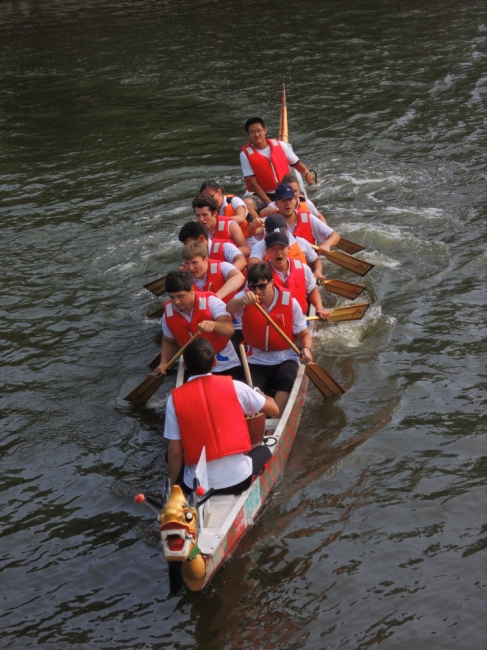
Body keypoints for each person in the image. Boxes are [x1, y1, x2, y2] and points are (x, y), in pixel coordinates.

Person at [164, 338, 279, 494]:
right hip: (239, 481)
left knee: (169, 454)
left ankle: (179, 488)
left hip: (197, 488)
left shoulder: (174, 399)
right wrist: (264, 396)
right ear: (215, 363)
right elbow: (274, 410)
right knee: (264, 451)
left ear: (185, 366)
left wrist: (172, 484)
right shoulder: (236, 386)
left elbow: (175, 451)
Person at [226, 263, 313, 416]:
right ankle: (258, 418)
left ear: (271, 282)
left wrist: (306, 349)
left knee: (286, 378)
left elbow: (304, 335)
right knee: (247, 388)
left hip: (286, 357)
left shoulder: (290, 302)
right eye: (253, 287)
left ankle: (274, 423)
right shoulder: (246, 296)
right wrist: (242, 301)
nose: (257, 291)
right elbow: (229, 308)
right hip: (256, 359)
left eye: (262, 286)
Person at [153, 269, 241, 379]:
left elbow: (229, 329)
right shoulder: (167, 313)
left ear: (192, 290)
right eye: (172, 297)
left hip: (225, 361)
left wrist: (214, 324)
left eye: (180, 296)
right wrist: (163, 362)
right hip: (194, 367)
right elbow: (168, 341)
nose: (176, 302)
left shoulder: (212, 302)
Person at [240, 117, 315, 217]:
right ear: (248, 134)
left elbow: (297, 165)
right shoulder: (245, 154)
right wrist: (269, 203)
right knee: (246, 203)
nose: (257, 134)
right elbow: (253, 184)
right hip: (265, 195)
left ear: (265, 130)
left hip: (287, 191)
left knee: (303, 204)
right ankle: (259, 225)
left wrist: (306, 172)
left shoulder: (281, 146)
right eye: (252, 132)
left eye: (259, 131)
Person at [264, 230, 330, 319]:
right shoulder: (261, 272)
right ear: (267, 251)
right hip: (274, 321)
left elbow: (311, 291)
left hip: (300, 319)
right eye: (273, 249)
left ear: (289, 249)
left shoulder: (303, 268)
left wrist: (319, 307)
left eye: (282, 248)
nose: (278, 252)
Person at [248, 213, 326, 283]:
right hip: (276, 288)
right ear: (267, 233)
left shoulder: (301, 242)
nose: (278, 237)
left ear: (286, 229)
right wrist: (272, 264)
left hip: (301, 283)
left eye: (281, 233)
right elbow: (252, 265)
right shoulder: (260, 246)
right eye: (274, 234)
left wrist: (317, 272)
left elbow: (316, 260)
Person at [271, 183, 340, 256]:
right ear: (276, 203)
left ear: (295, 200)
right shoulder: (269, 222)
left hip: (308, 263)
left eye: (290, 199)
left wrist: (327, 244)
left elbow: (335, 235)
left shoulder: (309, 218)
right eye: (283, 200)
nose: (287, 203)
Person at [181, 240, 245, 304]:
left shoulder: (222, 266)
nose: (190, 268)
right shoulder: (181, 276)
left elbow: (239, 277)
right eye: (186, 263)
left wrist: (215, 298)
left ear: (205, 260)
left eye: (194, 262)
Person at [178, 221, 247, 271]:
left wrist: (226, 274)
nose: (188, 248)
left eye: (190, 244)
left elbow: (242, 261)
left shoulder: (225, 247)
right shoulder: (190, 259)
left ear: (201, 238)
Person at [260, 173, 328, 224]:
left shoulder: (307, 203)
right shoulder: (278, 204)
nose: (293, 194)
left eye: (296, 191)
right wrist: (275, 210)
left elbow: (319, 215)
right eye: (291, 191)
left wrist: (325, 232)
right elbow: (262, 213)